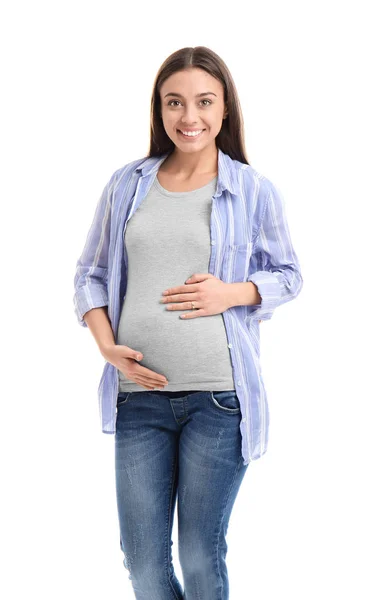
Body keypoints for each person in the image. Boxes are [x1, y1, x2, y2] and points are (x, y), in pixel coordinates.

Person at [73, 46, 303, 599]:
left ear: (225, 110)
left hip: (220, 403)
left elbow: (289, 275)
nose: (189, 116)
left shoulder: (251, 189)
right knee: (144, 566)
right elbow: (90, 275)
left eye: (204, 102)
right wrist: (106, 344)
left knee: (201, 556)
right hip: (140, 400)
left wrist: (235, 292)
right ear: (159, 109)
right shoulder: (127, 184)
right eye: (174, 102)